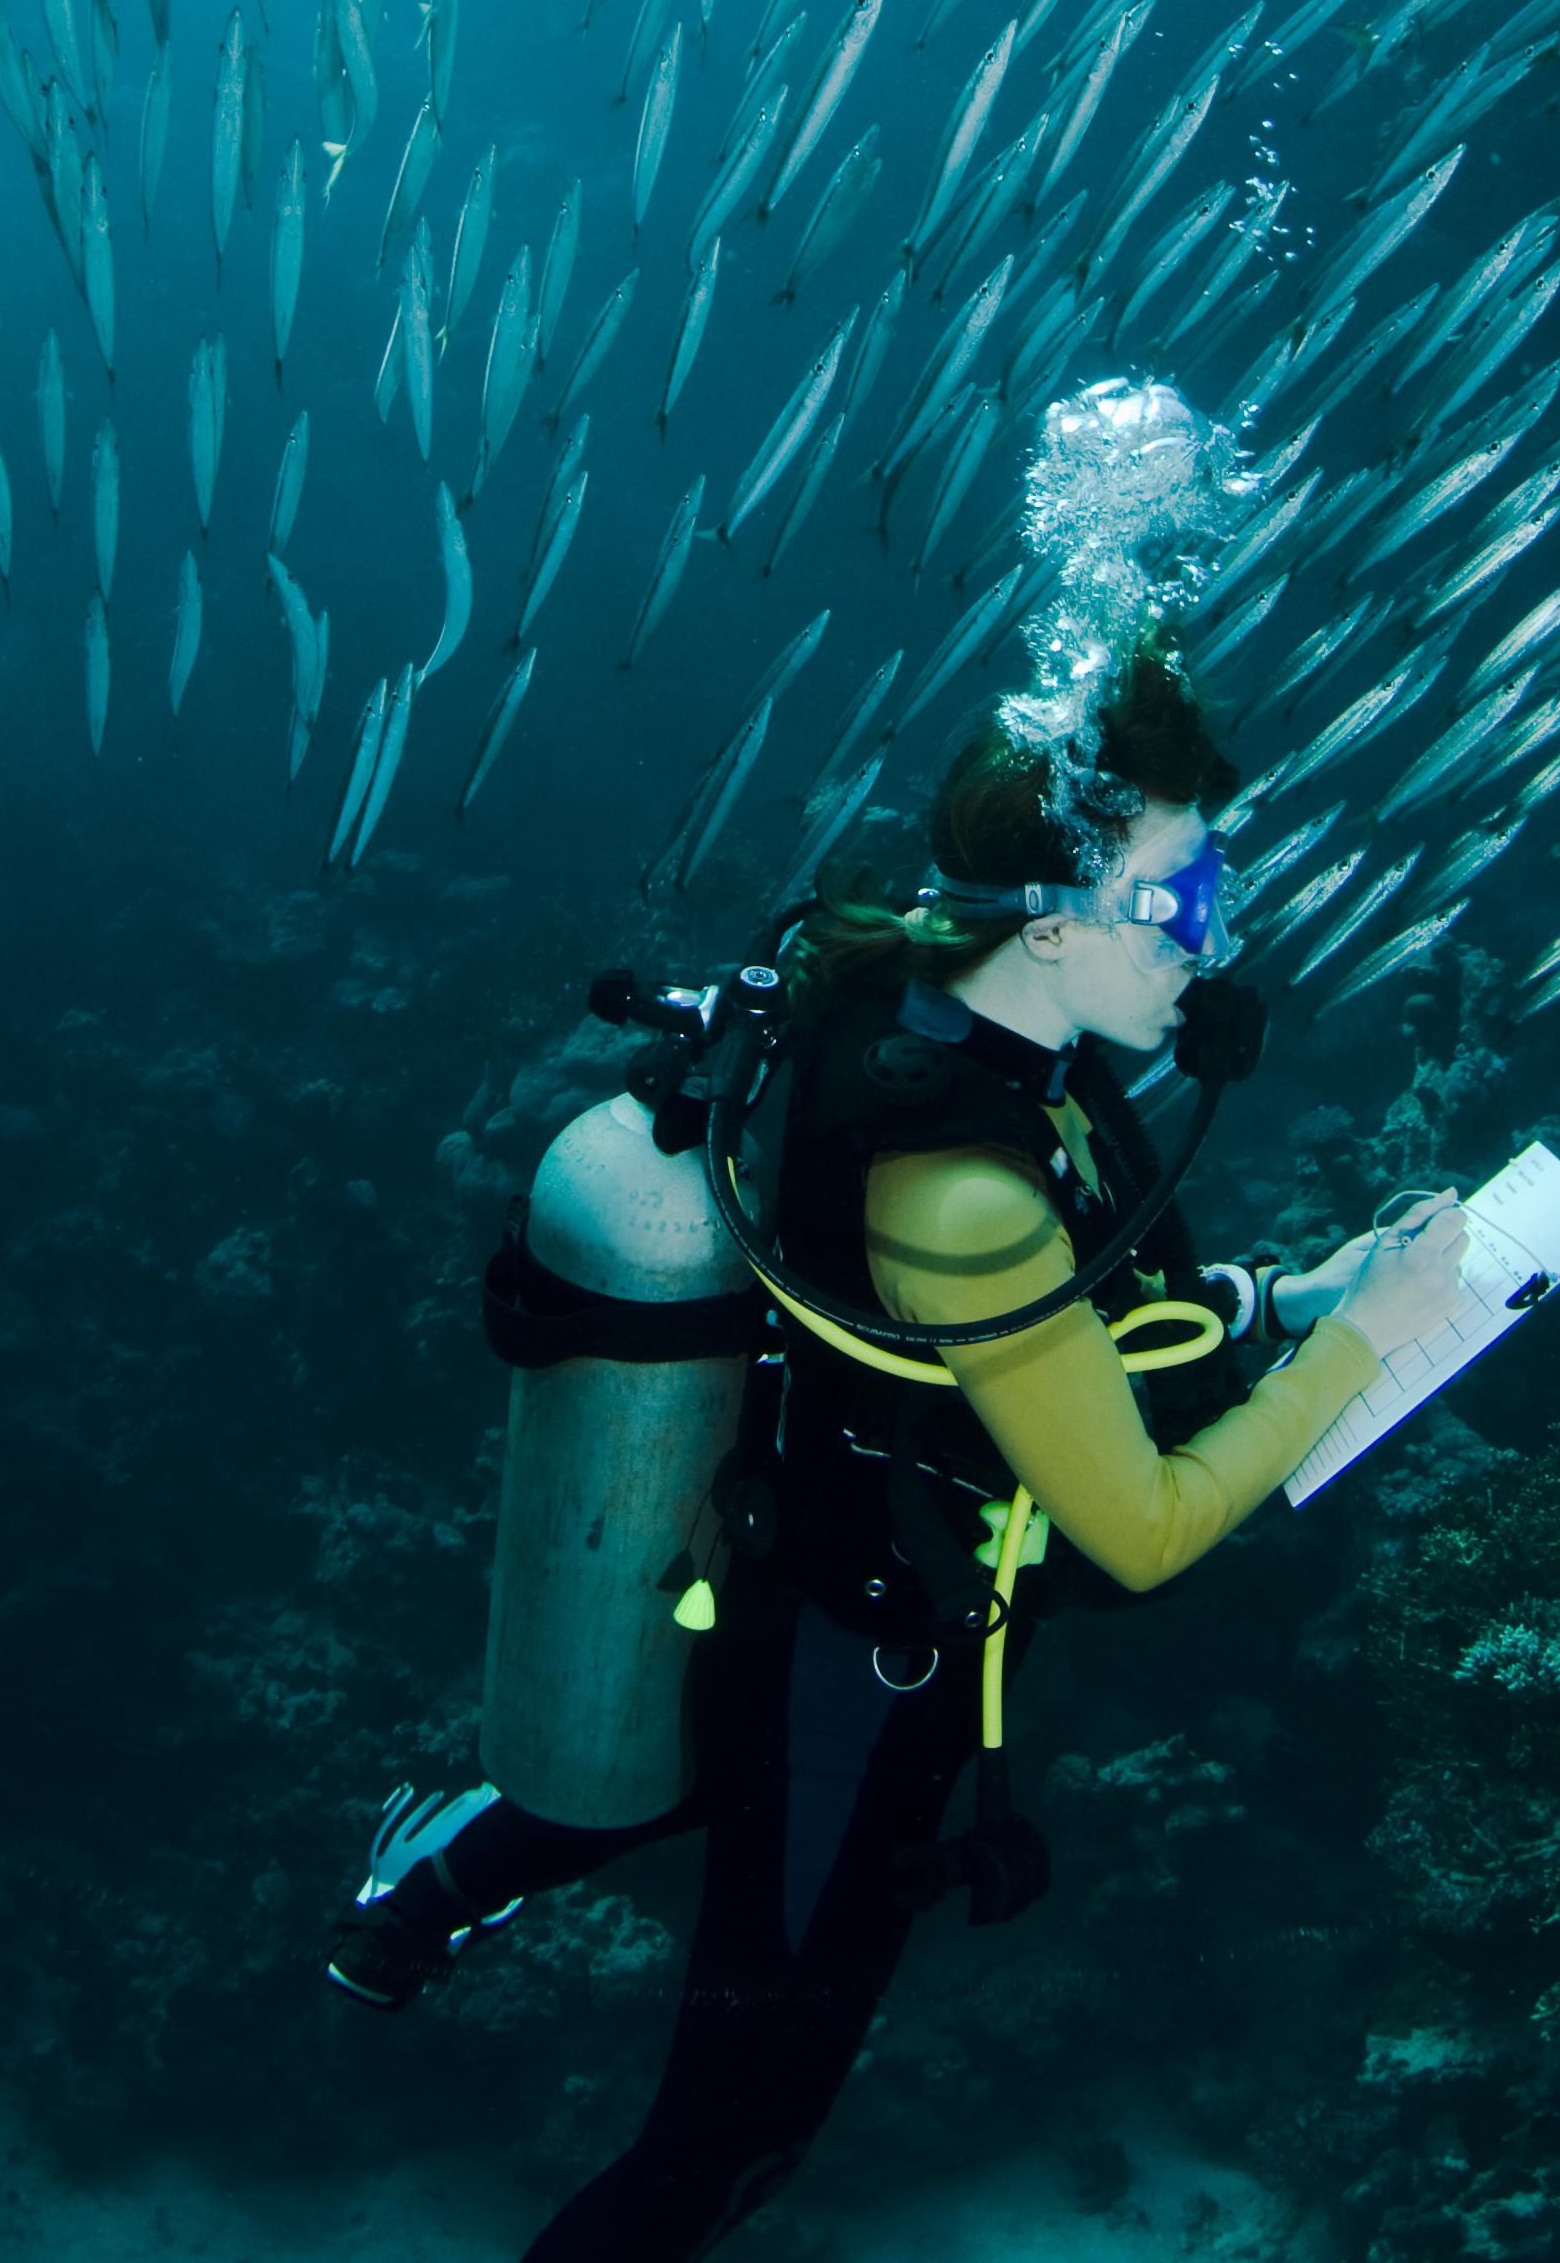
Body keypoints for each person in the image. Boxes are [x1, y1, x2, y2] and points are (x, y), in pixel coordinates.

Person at [328, 643, 1469, 2260]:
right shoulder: (963, 1190)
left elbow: (1105, 1307)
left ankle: (430, 1888)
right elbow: (1139, 1528)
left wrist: (1292, 1295)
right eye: (1184, 895)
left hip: (777, 1559)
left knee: (669, 1777)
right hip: (845, 1682)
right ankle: (444, 1890)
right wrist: (1372, 1341)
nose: (1220, 937)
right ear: (1056, 918)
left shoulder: (945, 1005)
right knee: (725, 2152)